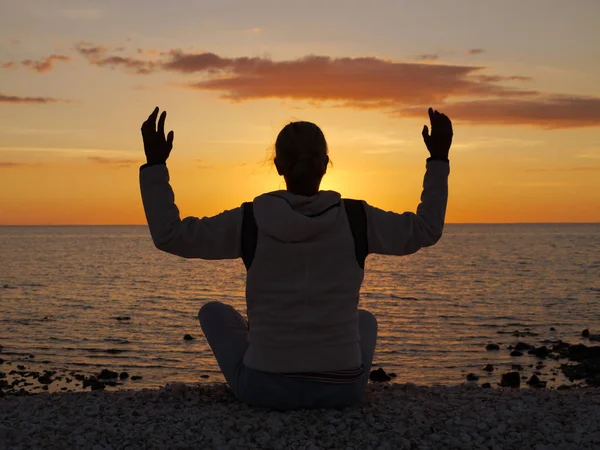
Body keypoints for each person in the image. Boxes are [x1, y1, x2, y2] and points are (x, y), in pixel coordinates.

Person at [139, 107, 452, 410]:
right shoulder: (358, 218)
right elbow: (426, 229)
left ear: (278, 165)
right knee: (365, 319)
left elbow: (171, 235)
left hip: (264, 389)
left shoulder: (250, 220)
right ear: (326, 164)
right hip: (343, 390)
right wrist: (437, 160)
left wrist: (155, 165)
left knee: (213, 312)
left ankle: (274, 350)